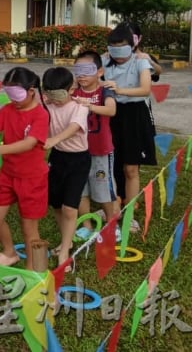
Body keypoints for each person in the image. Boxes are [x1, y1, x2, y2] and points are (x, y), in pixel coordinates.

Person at [0, 67, 49, 271]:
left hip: (32, 179)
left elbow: (29, 143)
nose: (13, 99)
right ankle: (9, 252)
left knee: (29, 228)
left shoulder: (40, 115)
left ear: (32, 91)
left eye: (17, 94)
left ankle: (35, 270)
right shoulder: (6, 111)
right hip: (7, 175)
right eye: (8, 93)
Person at [102, 24, 156, 232]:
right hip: (111, 114)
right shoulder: (104, 60)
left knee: (131, 168)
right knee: (110, 164)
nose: (118, 56)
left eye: (122, 50)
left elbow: (145, 89)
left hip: (134, 115)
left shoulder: (140, 61)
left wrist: (119, 89)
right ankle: (112, 206)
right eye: (113, 50)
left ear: (132, 46)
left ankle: (129, 214)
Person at [42, 67, 90, 270]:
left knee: (70, 207)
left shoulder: (80, 107)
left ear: (72, 90)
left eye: (59, 95)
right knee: (56, 205)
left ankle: (64, 254)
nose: (55, 100)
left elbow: (73, 128)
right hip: (57, 158)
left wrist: (55, 139)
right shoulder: (47, 105)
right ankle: (66, 239)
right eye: (50, 94)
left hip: (78, 160)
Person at [71, 51, 120, 241]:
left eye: (87, 71)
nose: (81, 75)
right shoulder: (73, 91)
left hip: (101, 151)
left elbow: (111, 110)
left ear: (99, 71)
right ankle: (86, 225)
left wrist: (87, 105)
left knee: (104, 190)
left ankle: (111, 225)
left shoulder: (105, 90)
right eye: (78, 71)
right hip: (78, 150)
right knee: (80, 189)